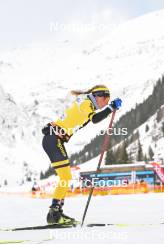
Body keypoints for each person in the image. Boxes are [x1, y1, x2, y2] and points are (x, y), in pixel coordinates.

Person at [42, 85, 122, 225]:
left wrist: (110, 108)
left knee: (65, 177)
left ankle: (56, 213)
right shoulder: (86, 103)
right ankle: (54, 214)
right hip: (53, 139)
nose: (105, 102)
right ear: (97, 96)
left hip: (54, 139)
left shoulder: (85, 102)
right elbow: (95, 119)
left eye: (108, 99)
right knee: (66, 177)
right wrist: (111, 108)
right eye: (105, 98)